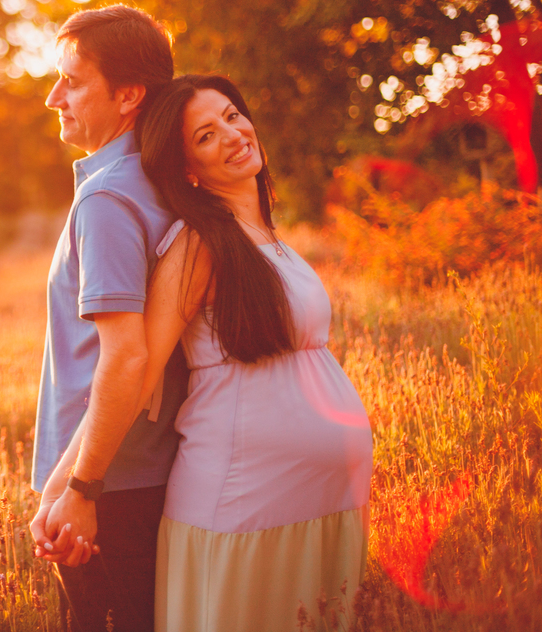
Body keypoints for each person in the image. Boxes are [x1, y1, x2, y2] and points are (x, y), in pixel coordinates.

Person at [133, 74, 374, 631]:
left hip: (325, 503)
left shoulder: (270, 237)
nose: (232, 134)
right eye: (206, 135)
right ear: (187, 170)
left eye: (232, 116)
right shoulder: (197, 244)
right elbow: (138, 366)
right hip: (246, 508)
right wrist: (74, 483)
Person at [29, 4, 189, 632]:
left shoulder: (107, 198)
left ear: (128, 96)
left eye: (71, 81)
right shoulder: (162, 181)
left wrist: (80, 489)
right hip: (138, 475)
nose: (54, 97)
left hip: (108, 485)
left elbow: (126, 356)